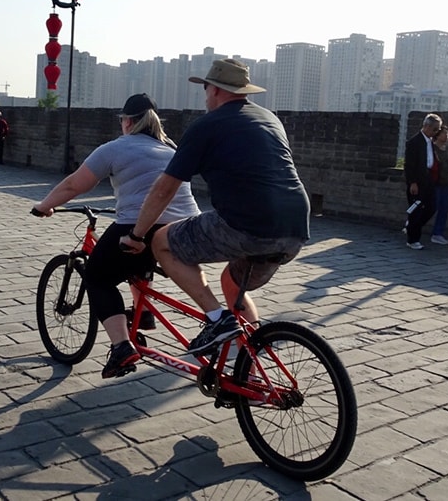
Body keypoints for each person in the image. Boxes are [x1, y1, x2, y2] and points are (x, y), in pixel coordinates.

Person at [119, 59, 310, 355]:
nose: (205, 95)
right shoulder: (270, 118)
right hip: (295, 228)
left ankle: (216, 319)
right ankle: (251, 363)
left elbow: (164, 188)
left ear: (217, 90)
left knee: (162, 243)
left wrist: (136, 234)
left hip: (245, 225)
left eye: (206, 89)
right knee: (231, 283)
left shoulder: (207, 125)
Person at [31, 94, 200, 378]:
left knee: (98, 276)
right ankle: (142, 312)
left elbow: (75, 184)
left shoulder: (116, 148)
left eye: (122, 119)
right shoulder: (171, 148)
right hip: (186, 229)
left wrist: (44, 206)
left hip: (138, 225)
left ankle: (121, 347)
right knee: (138, 259)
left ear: (128, 122)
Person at [403, 112, 443, 250]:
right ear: (426, 126)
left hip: (429, 179)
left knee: (432, 207)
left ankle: (412, 227)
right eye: (434, 129)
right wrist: (412, 182)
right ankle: (413, 239)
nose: (436, 132)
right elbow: (409, 164)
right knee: (416, 209)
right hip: (417, 181)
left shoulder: (430, 142)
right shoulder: (414, 142)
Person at [430, 125, 448, 245]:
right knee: (430, 208)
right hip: (435, 183)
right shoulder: (432, 149)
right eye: (444, 134)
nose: (446, 136)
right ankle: (413, 225)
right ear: (437, 135)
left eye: (447, 134)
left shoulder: (445, 150)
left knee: (444, 209)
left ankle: (437, 233)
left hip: (446, 183)